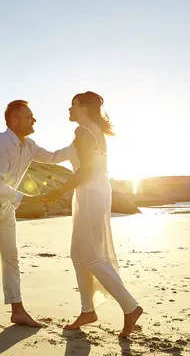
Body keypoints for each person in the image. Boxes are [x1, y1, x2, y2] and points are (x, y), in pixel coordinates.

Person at [43, 91, 143, 338]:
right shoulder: (90, 131)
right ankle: (88, 311)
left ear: (85, 108)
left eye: (73, 105)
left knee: (92, 257)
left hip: (90, 193)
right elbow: (60, 156)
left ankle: (130, 307)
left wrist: (58, 192)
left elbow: (86, 170)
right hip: (92, 192)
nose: (69, 109)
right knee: (78, 254)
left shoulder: (83, 132)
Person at [0, 99, 75, 327]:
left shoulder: (29, 146)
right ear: (14, 120)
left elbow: (54, 156)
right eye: (29, 117)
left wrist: (78, 145)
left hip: (6, 209)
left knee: (11, 258)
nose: (34, 120)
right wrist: (27, 199)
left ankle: (17, 310)